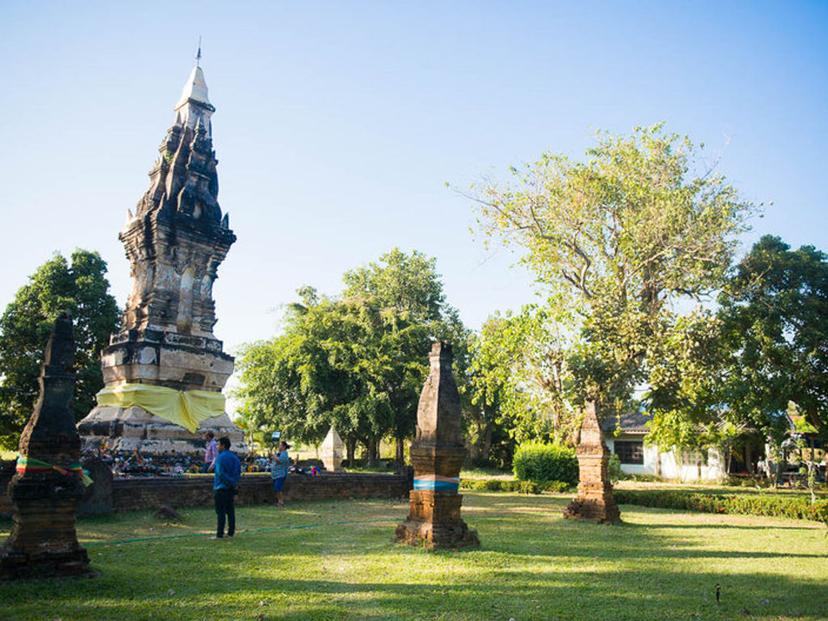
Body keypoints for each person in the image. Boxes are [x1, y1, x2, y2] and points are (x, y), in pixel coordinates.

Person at [213, 436, 241, 539]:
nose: (217, 447)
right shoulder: (235, 458)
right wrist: (233, 483)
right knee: (230, 511)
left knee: (221, 512)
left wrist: (228, 482)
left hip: (221, 488)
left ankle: (220, 534)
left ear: (223, 446)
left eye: (218, 444)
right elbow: (238, 472)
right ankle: (231, 532)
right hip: (231, 488)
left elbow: (220, 473)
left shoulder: (220, 457)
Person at [270, 440, 291, 507]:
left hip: (281, 474)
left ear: (284, 447)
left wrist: (273, 455)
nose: (279, 447)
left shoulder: (284, 454)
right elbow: (273, 460)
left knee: (278, 488)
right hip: (275, 474)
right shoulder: (279, 453)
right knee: (276, 489)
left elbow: (279, 461)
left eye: (280, 445)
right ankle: (278, 501)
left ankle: (281, 502)